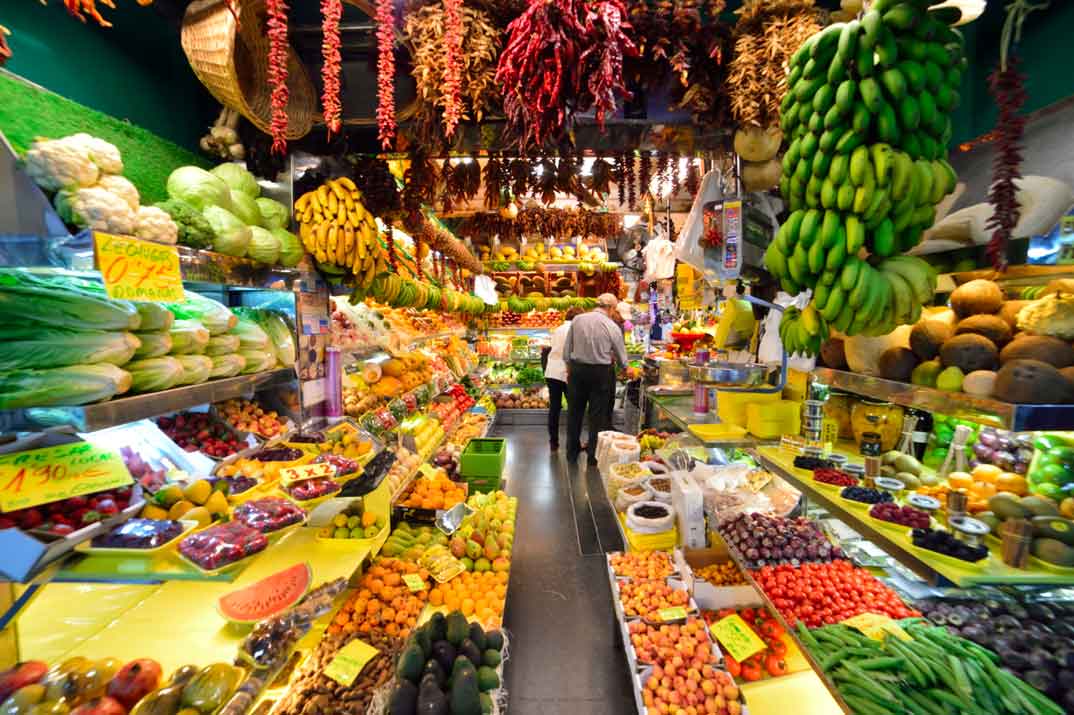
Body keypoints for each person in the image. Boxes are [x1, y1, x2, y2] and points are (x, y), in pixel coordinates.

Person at [564, 293, 628, 465]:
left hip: (577, 371)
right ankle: (593, 455)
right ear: (612, 308)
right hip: (601, 373)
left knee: (574, 412)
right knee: (596, 415)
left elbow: (567, 348)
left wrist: (569, 368)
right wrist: (625, 368)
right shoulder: (611, 325)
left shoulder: (577, 320)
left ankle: (571, 453)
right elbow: (621, 355)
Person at [543, 307, 583, 451]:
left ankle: (554, 442)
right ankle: (574, 444)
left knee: (554, 407)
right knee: (573, 408)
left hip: (552, 371)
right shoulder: (575, 330)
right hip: (568, 372)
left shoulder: (557, 329)